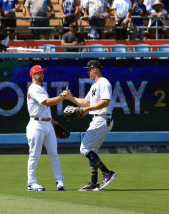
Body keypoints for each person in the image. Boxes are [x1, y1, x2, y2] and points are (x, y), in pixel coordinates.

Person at [63, 60, 117, 191]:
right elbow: (86, 103)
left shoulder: (104, 83)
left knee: (84, 148)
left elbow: (105, 102)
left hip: (102, 118)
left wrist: (86, 110)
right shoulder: (95, 85)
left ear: (95, 69)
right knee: (91, 150)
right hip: (98, 119)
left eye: (89, 69)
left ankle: (107, 173)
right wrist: (70, 98)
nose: (88, 72)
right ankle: (94, 182)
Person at [26, 64, 66, 192]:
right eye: (39, 73)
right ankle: (31, 182)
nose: (42, 74)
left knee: (54, 154)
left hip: (47, 124)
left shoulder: (41, 88)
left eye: (42, 72)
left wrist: (54, 123)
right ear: (33, 75)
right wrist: (61, 97)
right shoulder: (34, 89)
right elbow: (46, 102)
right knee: (34, 154)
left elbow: (44, 110)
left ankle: (59, 180)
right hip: (36, 125)